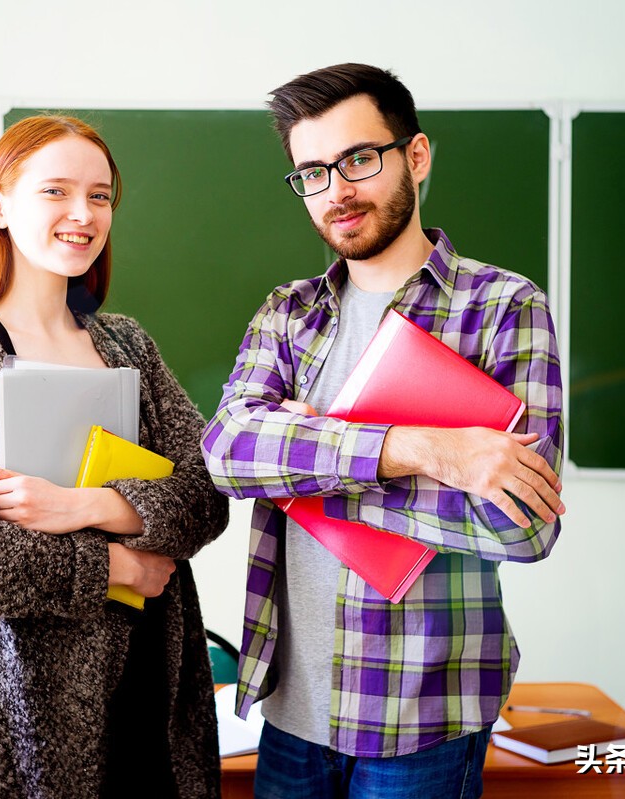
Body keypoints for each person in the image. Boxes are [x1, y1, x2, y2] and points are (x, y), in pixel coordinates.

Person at [200, 64, 566, 798]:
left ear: (416, 156)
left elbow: (525, 525)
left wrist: (309, 469)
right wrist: (424, 449)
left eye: (358, 159)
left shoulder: (502, 308)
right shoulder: (287, 314)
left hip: (422, 719)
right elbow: (226, 452)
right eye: (312, 173)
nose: (337, 190)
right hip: (289, 715)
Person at [0, 115, 228, 799]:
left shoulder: (129, 343)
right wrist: (116, 563)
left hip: (141, 705)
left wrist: (89, 504)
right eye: (57, 191)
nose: (84, 213)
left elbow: (209, 488)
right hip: (6, 725)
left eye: (100, 196)